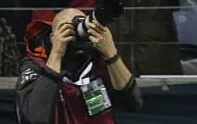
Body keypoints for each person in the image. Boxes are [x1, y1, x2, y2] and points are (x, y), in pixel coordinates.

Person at [15, 7, 143, 124]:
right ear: (53, 37)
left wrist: (111, 54)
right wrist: (56, 54)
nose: (76, 35)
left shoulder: (97, 60)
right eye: (67, 30)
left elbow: (132, 103)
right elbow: (33, 118)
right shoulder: (35, 64)